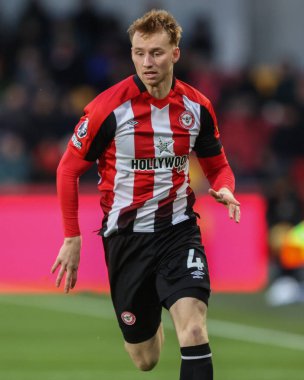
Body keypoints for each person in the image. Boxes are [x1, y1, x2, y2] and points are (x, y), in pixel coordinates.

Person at [51, 9, 241, 380]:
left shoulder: (197, 107)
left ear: (175, 54)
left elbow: (217, 165)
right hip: (126, 238)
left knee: (194, 330)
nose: (146, 62)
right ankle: (152, 306)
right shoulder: (108, 108)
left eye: (155, 52)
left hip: (179, 229)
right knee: (145, 358)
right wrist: (72, 237)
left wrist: (225, 188)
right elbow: (68, 169)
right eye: (139, 53)